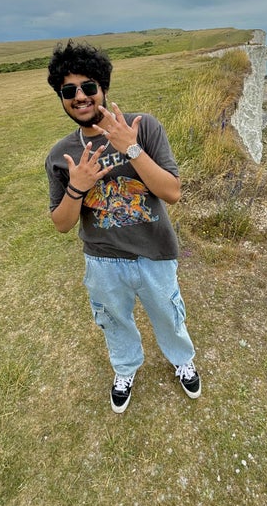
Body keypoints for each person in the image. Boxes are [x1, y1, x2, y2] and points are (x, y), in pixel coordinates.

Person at [45, 40, 200, 413]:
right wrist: (77, 187)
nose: (80, 96)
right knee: (114, 322)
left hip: (155, 251)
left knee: (169, 314)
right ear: (62, 98)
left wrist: (132, 149)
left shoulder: (143, 128)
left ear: (103, 87)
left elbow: (172, 192)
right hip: (102, 260)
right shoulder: (60, 155)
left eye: (88, 86)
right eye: (69, 91)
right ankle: (125, 369)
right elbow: (62, 224)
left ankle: (182, 359)